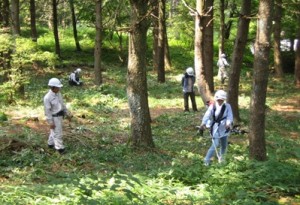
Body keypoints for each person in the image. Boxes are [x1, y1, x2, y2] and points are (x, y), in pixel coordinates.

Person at [199, 90, 233, 166]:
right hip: (215, 128)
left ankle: (222, 160)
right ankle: (206, 160)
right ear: (216, 99)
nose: (220, 101)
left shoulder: (227, 106)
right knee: (215, 144)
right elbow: (207, 115)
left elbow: (230, 116)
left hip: (224, 128)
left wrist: (228, 123)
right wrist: (203, 123)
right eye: (219, 99)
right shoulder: (212, 106)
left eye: (222, 99)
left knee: (224, 145)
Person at [44, 78, 72, 154]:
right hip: (54, 117)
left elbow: (62, 105)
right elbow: (47, 111)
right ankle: (60, 149)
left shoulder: (59, 94)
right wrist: (50, 122)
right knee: (58, 133)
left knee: (54, 131)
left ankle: (50, 144)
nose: (59, 88)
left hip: (60, 116)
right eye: (57, 87)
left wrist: (67, 113)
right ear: (52, 87)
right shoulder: (47, 97)